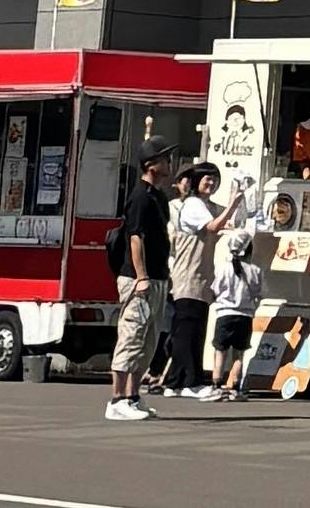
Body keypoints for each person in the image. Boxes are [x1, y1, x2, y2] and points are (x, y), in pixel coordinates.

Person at [104, 153, 174, 421]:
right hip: (138, 279)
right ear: (150, 165)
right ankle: (117, 399)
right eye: (164, 159)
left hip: (158, 276)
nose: (169, 163)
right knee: (131, 335)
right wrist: (141, 275)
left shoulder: (159, 197)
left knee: (148, 340)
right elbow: (135, 238)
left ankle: (132, 396)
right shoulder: (140, 197)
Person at [204, 185, 278, 398]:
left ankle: (216, 385)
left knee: (220, 351)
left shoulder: (224, 268)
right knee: (239, 354)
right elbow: (258, 292)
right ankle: (235, 387)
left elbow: (216, 289)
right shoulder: (255, 270)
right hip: (245, 315)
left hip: (224, 314)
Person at [163, 164, 222, 400]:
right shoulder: (192, 205)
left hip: (200, 277)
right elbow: (214, 226)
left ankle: (175, 382)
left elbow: (227, 221)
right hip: (187, 275)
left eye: (215, 179)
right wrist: (236, 201)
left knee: (191, 330)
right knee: (188, 331)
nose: (212, 183)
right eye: (208, 178)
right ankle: (191, 381)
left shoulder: (207, 206)